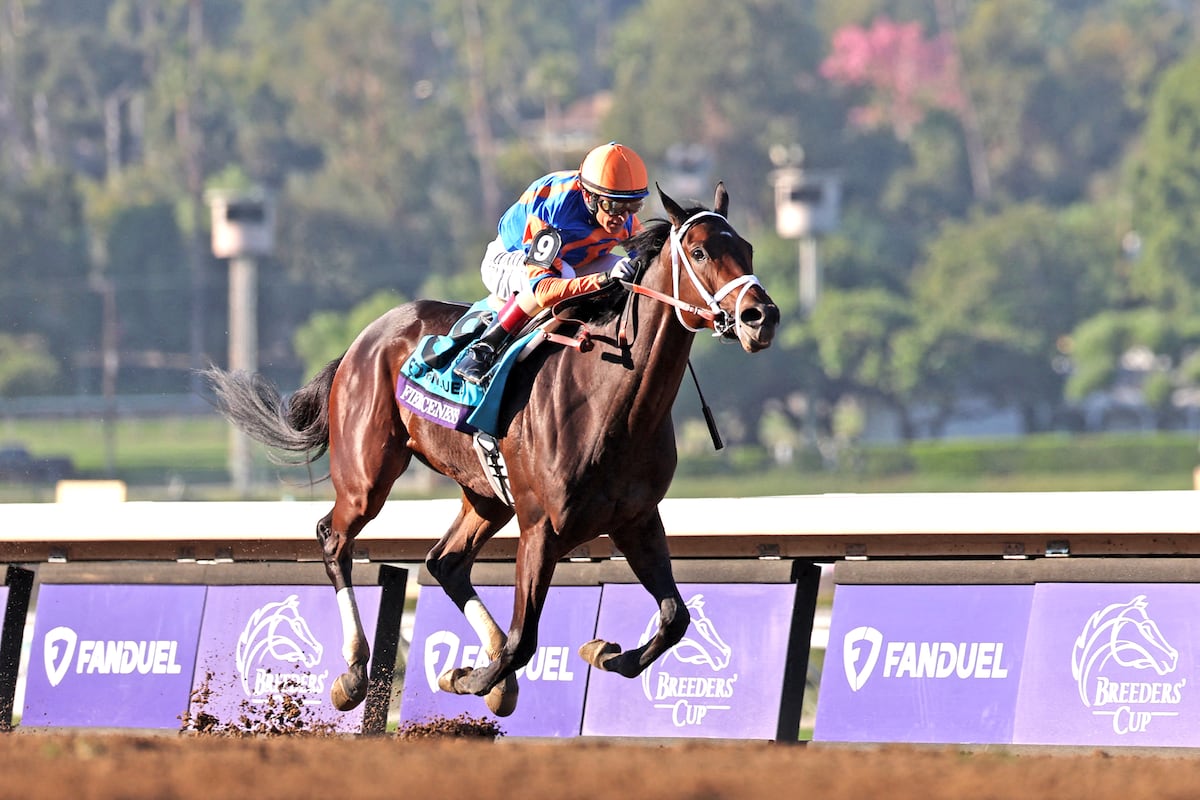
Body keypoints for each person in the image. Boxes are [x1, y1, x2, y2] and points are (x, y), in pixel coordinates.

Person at [453, 141, 650, 385]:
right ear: (589, 196)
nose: (623, 217)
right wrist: (603, 279)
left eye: (634, 206)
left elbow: (649, 266)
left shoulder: (623, 216)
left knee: (631, 272)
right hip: (507, 261)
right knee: (565, 274)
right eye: (613, 206)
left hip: (570, 261)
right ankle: (482, 350)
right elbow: (545, 290)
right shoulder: (553, 209)